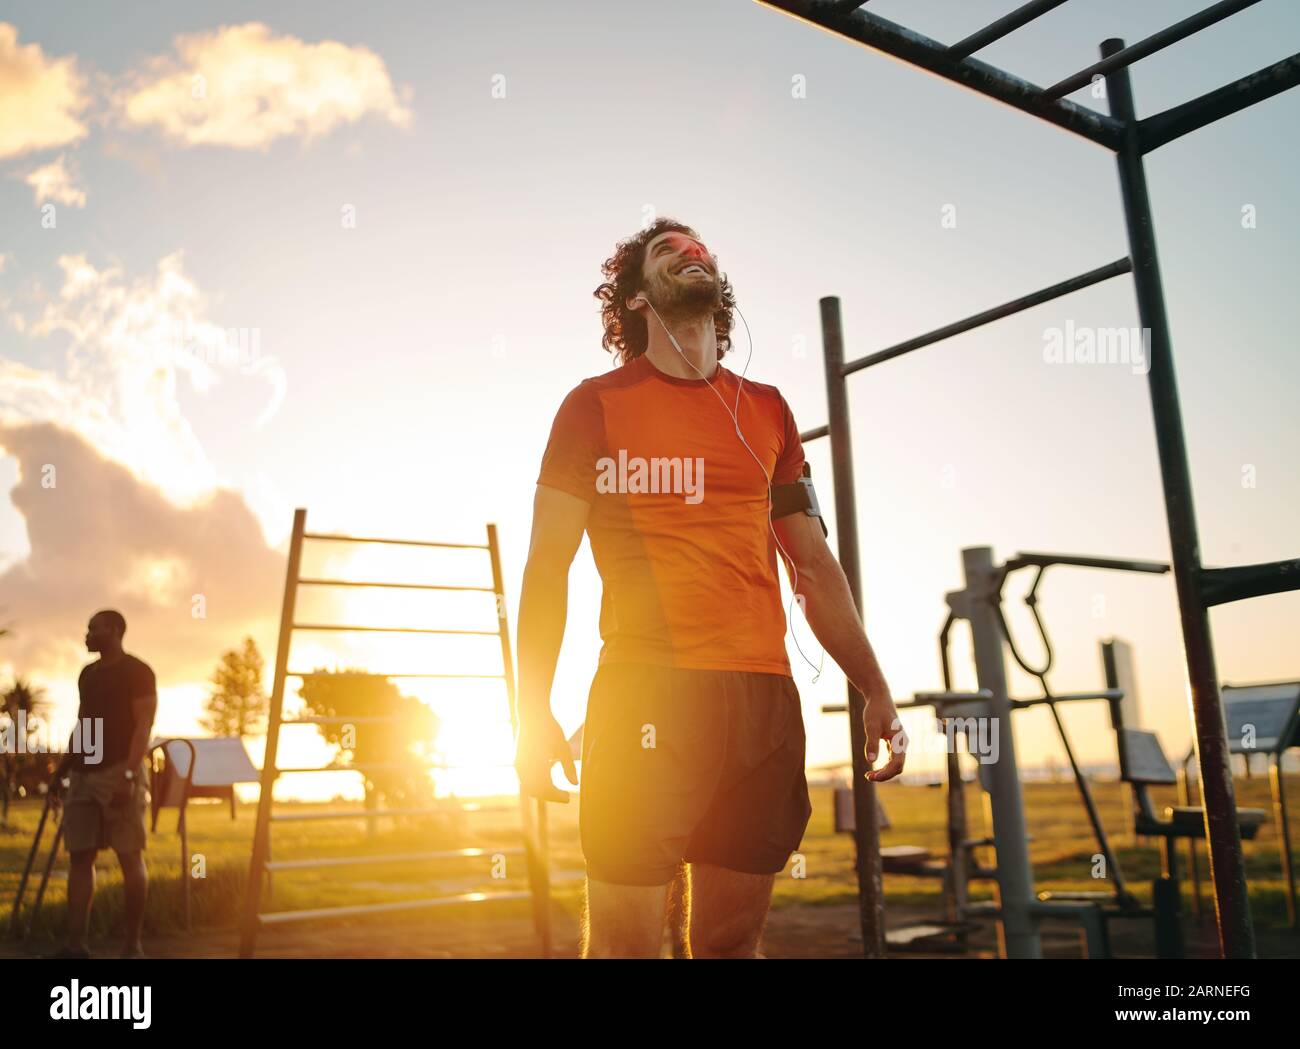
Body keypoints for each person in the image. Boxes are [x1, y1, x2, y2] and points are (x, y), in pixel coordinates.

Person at [515, 218, 906, 958]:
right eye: (668, 250)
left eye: (700, 248)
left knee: (729, 946)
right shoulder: (592, 406)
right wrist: (530, 707)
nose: (691, 253)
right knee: (625, 950)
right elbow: (546, 569)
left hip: (760, 702)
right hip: (644, 695)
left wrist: (874, 688)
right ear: (634, 300)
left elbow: (815, 569)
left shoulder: (769, 410)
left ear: (720, 293)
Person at [48, 609, 157, 959]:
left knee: (129, 856)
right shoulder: (88, 675)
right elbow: (84, 724)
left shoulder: (138, 672)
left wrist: (128, 775)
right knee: (80, 856)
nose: (87, 634)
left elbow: (143, 727)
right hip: (84, 774)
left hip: (118, 773)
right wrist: (63, 768)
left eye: (93, 629)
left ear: (114, 630)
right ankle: (76, 946)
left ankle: (132, 945)